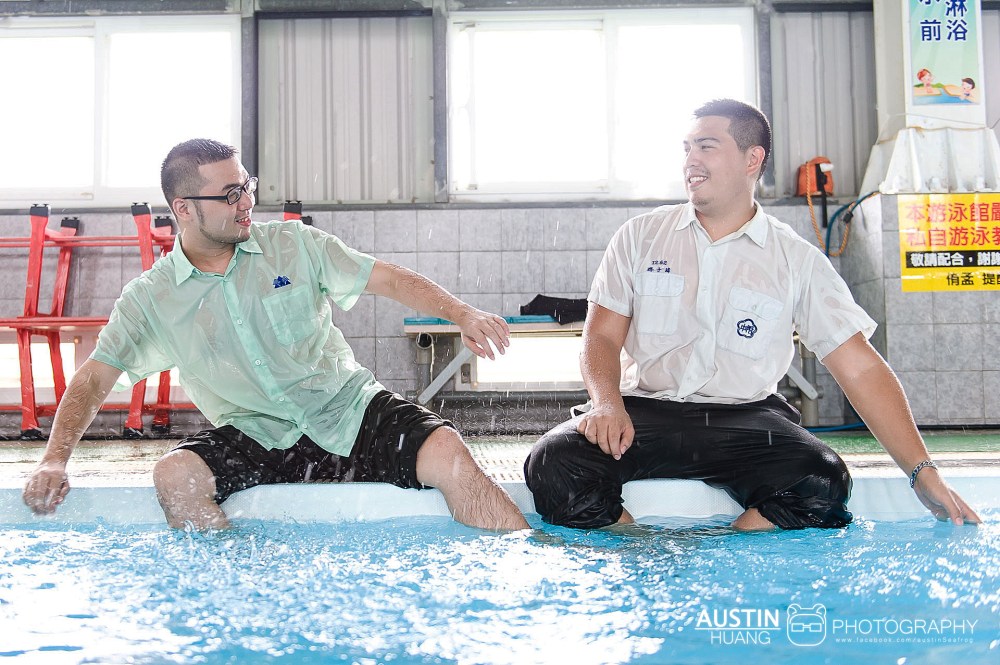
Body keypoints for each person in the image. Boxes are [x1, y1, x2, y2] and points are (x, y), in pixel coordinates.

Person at [22, 138, 529, 532]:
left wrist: (461, 313)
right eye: (228, 195)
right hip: (256, 433)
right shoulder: (151, 299)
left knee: (448, 451)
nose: (246, 203)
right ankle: (236, 591)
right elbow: (93, 380)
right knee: (175, 477)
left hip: (346, 410)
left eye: (246, 186)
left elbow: (389, 278)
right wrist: (53, 459)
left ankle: (522, 564)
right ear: (183, 209)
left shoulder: (294, 246)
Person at [524, 99, 981, 531]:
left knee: (823, 482)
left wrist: (922, 471)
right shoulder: (640, 237)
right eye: (686, 149)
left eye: (706, 146)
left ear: (752, 159)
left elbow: (859, 367)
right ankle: (648, 552)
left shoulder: (795, 259)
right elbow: (600, 337)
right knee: (553, 463)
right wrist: (606, 402)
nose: (690, 161)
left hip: (745, 419)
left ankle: (726, 552)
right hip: (643, 412)